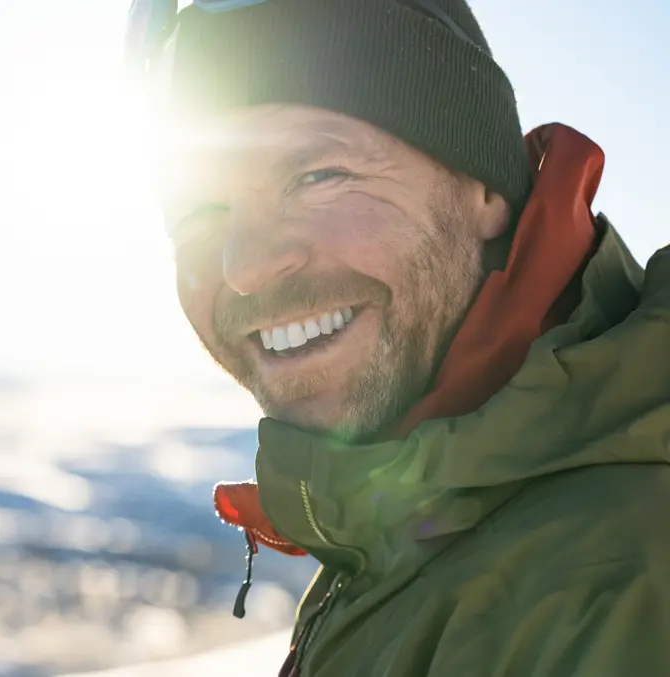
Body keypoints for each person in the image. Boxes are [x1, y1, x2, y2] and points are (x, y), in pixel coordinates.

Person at [127, 0, 670, 674]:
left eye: (319, 175)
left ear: (484, 188)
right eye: (200, 211)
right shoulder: (401, 519)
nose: (244, 267)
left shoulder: (613, 587)